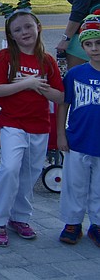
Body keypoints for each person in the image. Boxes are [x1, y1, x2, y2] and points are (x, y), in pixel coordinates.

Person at [0, 0, 63, 247]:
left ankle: (19, 217)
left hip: (39, 125)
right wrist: (27, 83)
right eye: (17, 30)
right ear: (11, 35)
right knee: (9, 169)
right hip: (13, 123)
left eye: (28, 26)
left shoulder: (47, 60)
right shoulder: (6, 56)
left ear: (38, 26)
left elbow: (59, 96)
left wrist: (40, 89)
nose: (24, 32)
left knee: (29, 175)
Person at [58, 13, 100, 247]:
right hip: (78, 140)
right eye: (88, 44)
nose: (94, 48)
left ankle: (97, 224)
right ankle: (73, 223)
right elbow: (63, 104)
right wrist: (61, 134)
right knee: (75, 184)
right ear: (83, 46)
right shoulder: (76, 74)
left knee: (99, 187)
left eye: (99, 43)